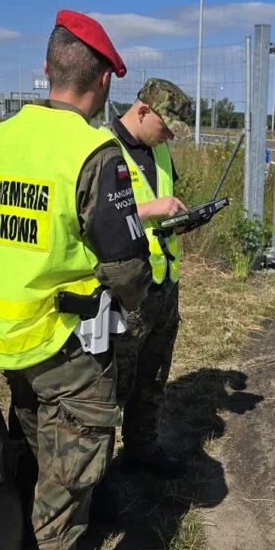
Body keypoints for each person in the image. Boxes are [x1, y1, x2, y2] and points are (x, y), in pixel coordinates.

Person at [0, 10, 152, 550]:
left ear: (46, 70)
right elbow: (126, 269)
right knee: (63, 496)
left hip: (7, 343)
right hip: (69, 349)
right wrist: (131, 310)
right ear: (101, 83)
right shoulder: (94, 150)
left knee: (27, 467)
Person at [102, 78, 195, 477]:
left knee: (153, 377)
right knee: (109, 389)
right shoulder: (103, 151)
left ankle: (143, 448)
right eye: (166, 126)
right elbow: (93, 218)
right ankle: (100, 475)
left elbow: (161, 209)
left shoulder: (159, 152)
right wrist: (150, 209)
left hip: (162, 286)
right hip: (124, 293)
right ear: (142, 110)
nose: (170, 135)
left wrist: (179, 217)